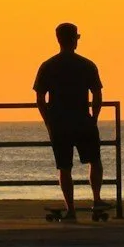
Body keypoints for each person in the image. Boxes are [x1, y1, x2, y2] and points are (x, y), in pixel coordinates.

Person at [33, 22, 106, 220]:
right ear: (74, 40)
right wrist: (94, 118)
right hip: (83, 120)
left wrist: (48, 121)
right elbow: (97, 94)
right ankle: (97, 199)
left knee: (64, 167)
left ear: (58, 40)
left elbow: (40, 99)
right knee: (94, 160)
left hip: (59, 122)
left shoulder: (48, 66)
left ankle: (71, 209)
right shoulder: (87, 65)